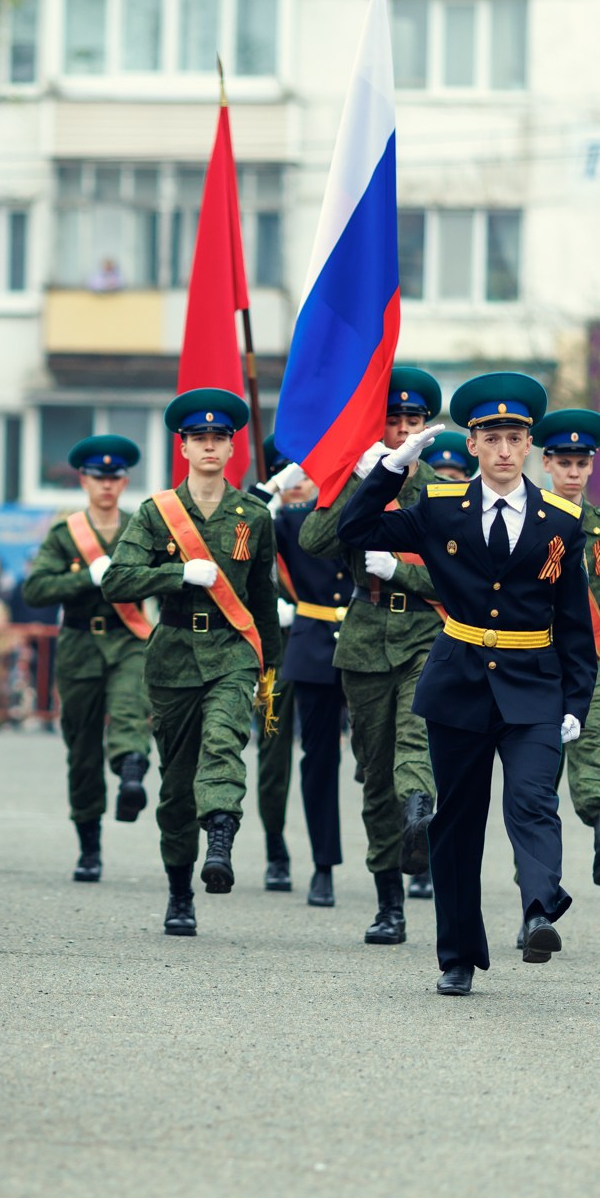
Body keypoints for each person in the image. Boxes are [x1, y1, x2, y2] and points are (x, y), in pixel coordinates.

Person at [337, 371, 596, 997]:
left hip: (533, 683)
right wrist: (393, 470)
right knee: (457, 821)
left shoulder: (560, 519)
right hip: (458, 681)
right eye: (491, 438)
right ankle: (457, 955)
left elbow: (574, 620)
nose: (505, 451)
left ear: (529, 444)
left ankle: (538, 910)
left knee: (532, 800)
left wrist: (576, 702)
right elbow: (355, 531)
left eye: (515, 438)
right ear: (473, 445)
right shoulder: (440, 509)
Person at [102, 389, 283, 938]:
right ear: (183, 447)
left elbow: (261, 596)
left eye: (219, 438)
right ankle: (180, 892)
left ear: (233, 449)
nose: (209, 446)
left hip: (233, 653)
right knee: (177, 787)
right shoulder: (158, 514)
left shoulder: (252, 514)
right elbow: (117, 580)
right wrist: (176, 575)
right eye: (199, 438)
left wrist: (269, 669)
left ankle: (222, 835)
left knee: (225, 741)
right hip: (175, 656)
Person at [298, 366, 447, 945]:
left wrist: (405, 572)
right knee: (374, 772)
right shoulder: (360, 477)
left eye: (413, 421)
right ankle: (390, 901)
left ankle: (419, 812)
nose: (403, 430)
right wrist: (361, 484)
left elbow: (464, 575)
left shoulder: (443, 488)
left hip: (426, 632)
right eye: (393, 421)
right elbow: (314, 541)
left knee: (416, 737)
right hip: (363, 638)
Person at [22, 434, 154, 882]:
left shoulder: (142, 527)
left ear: (125, 480)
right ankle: (90, 848)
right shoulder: (66, 534)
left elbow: (156, 578)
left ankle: (132, 773)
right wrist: (85, 580)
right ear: (84, 480)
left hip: (128, 638)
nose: (107, 485)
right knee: (81, 748)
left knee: (131, 711)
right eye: (99, 477)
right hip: (80, 645)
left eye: (115, 477)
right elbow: (36, 590)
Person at [531, 409, 600, 889]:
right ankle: (536, 894)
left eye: (582, 464)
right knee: (534, 784)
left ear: (592, 466)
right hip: (530, 659)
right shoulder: (525, 518)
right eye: (564, 463)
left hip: (585, 662)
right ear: (547, 464)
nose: (573, 473)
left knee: (593, 741)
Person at [257, 444, 350, 905]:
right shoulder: (286, 519)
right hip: (290, 656)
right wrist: (270, 489)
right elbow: (239, 530)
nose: (296, 481)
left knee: (384, 761)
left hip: (356, 645)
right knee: (286, 754)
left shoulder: (352, 511)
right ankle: (299, 857)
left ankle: (398, 865)